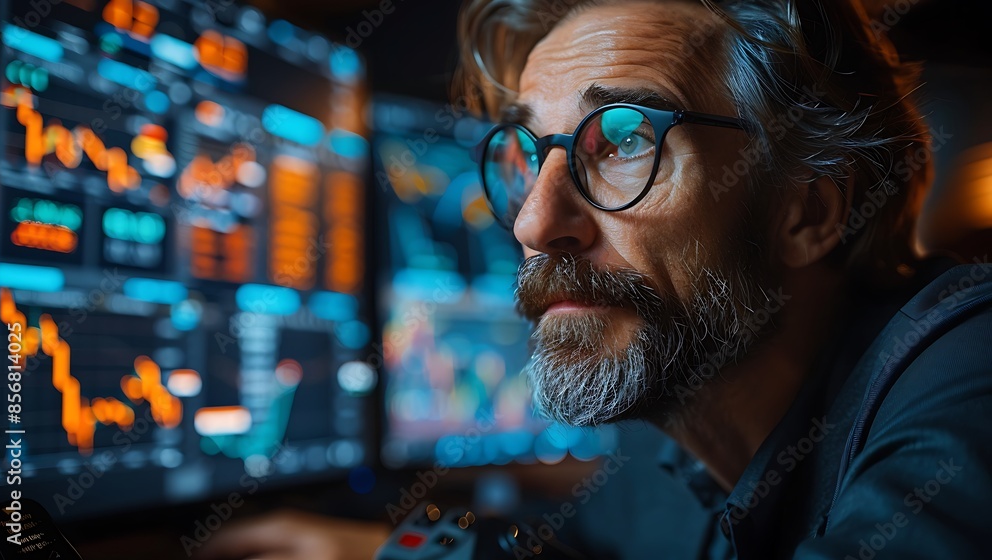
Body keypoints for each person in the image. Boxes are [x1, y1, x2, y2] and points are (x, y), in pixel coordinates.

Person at [199, 0, 992, 558]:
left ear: (808, 211)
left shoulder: (970, 368)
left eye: (624, 141)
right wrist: (392, 554)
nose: (535, 225)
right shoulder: (683, 445)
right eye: (528, 155)